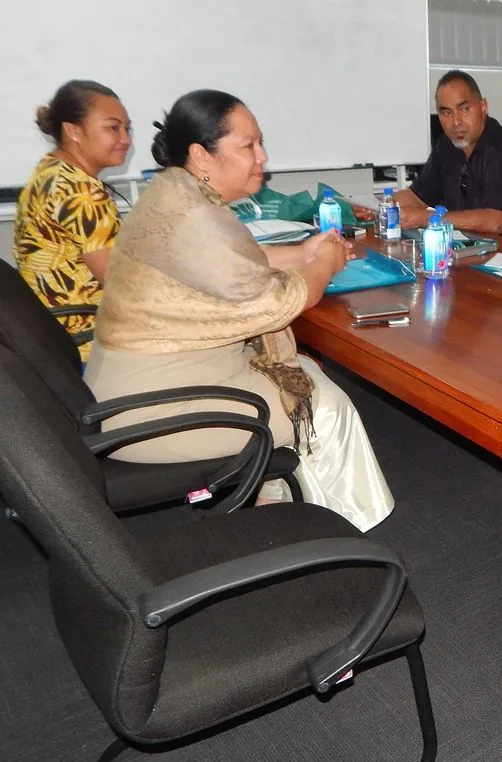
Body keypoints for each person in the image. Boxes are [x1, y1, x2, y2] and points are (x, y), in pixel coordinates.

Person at [84, 89, 394, 531]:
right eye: (248, 146)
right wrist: (323, 263)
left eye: (260, 143)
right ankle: (340, 534)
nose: (262, 156)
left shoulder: (176, 194)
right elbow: (280, 301)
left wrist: (303, 250)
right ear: (202, 155)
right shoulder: (194, 216)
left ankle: (274, 504)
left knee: (306, 370)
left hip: (132, 386)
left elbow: (228, 263)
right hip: (153, 408)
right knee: (323, 405)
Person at [13, 80, 131, 361]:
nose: (125, 139)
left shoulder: (50, 170)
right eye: (113, 127)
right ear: (73, 130)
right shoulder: (82, 192)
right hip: (90, 342)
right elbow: (126, 287)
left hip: (51, 336)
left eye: (128, 129)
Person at [392, 70, 502, 234]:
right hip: (464, 247)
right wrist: (387, 208)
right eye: (446, 112)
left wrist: (423, 218)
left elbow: (494, 222)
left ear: (483, 107)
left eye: (464, 109)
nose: (456, 122)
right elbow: (416, 197)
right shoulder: (447, 145)